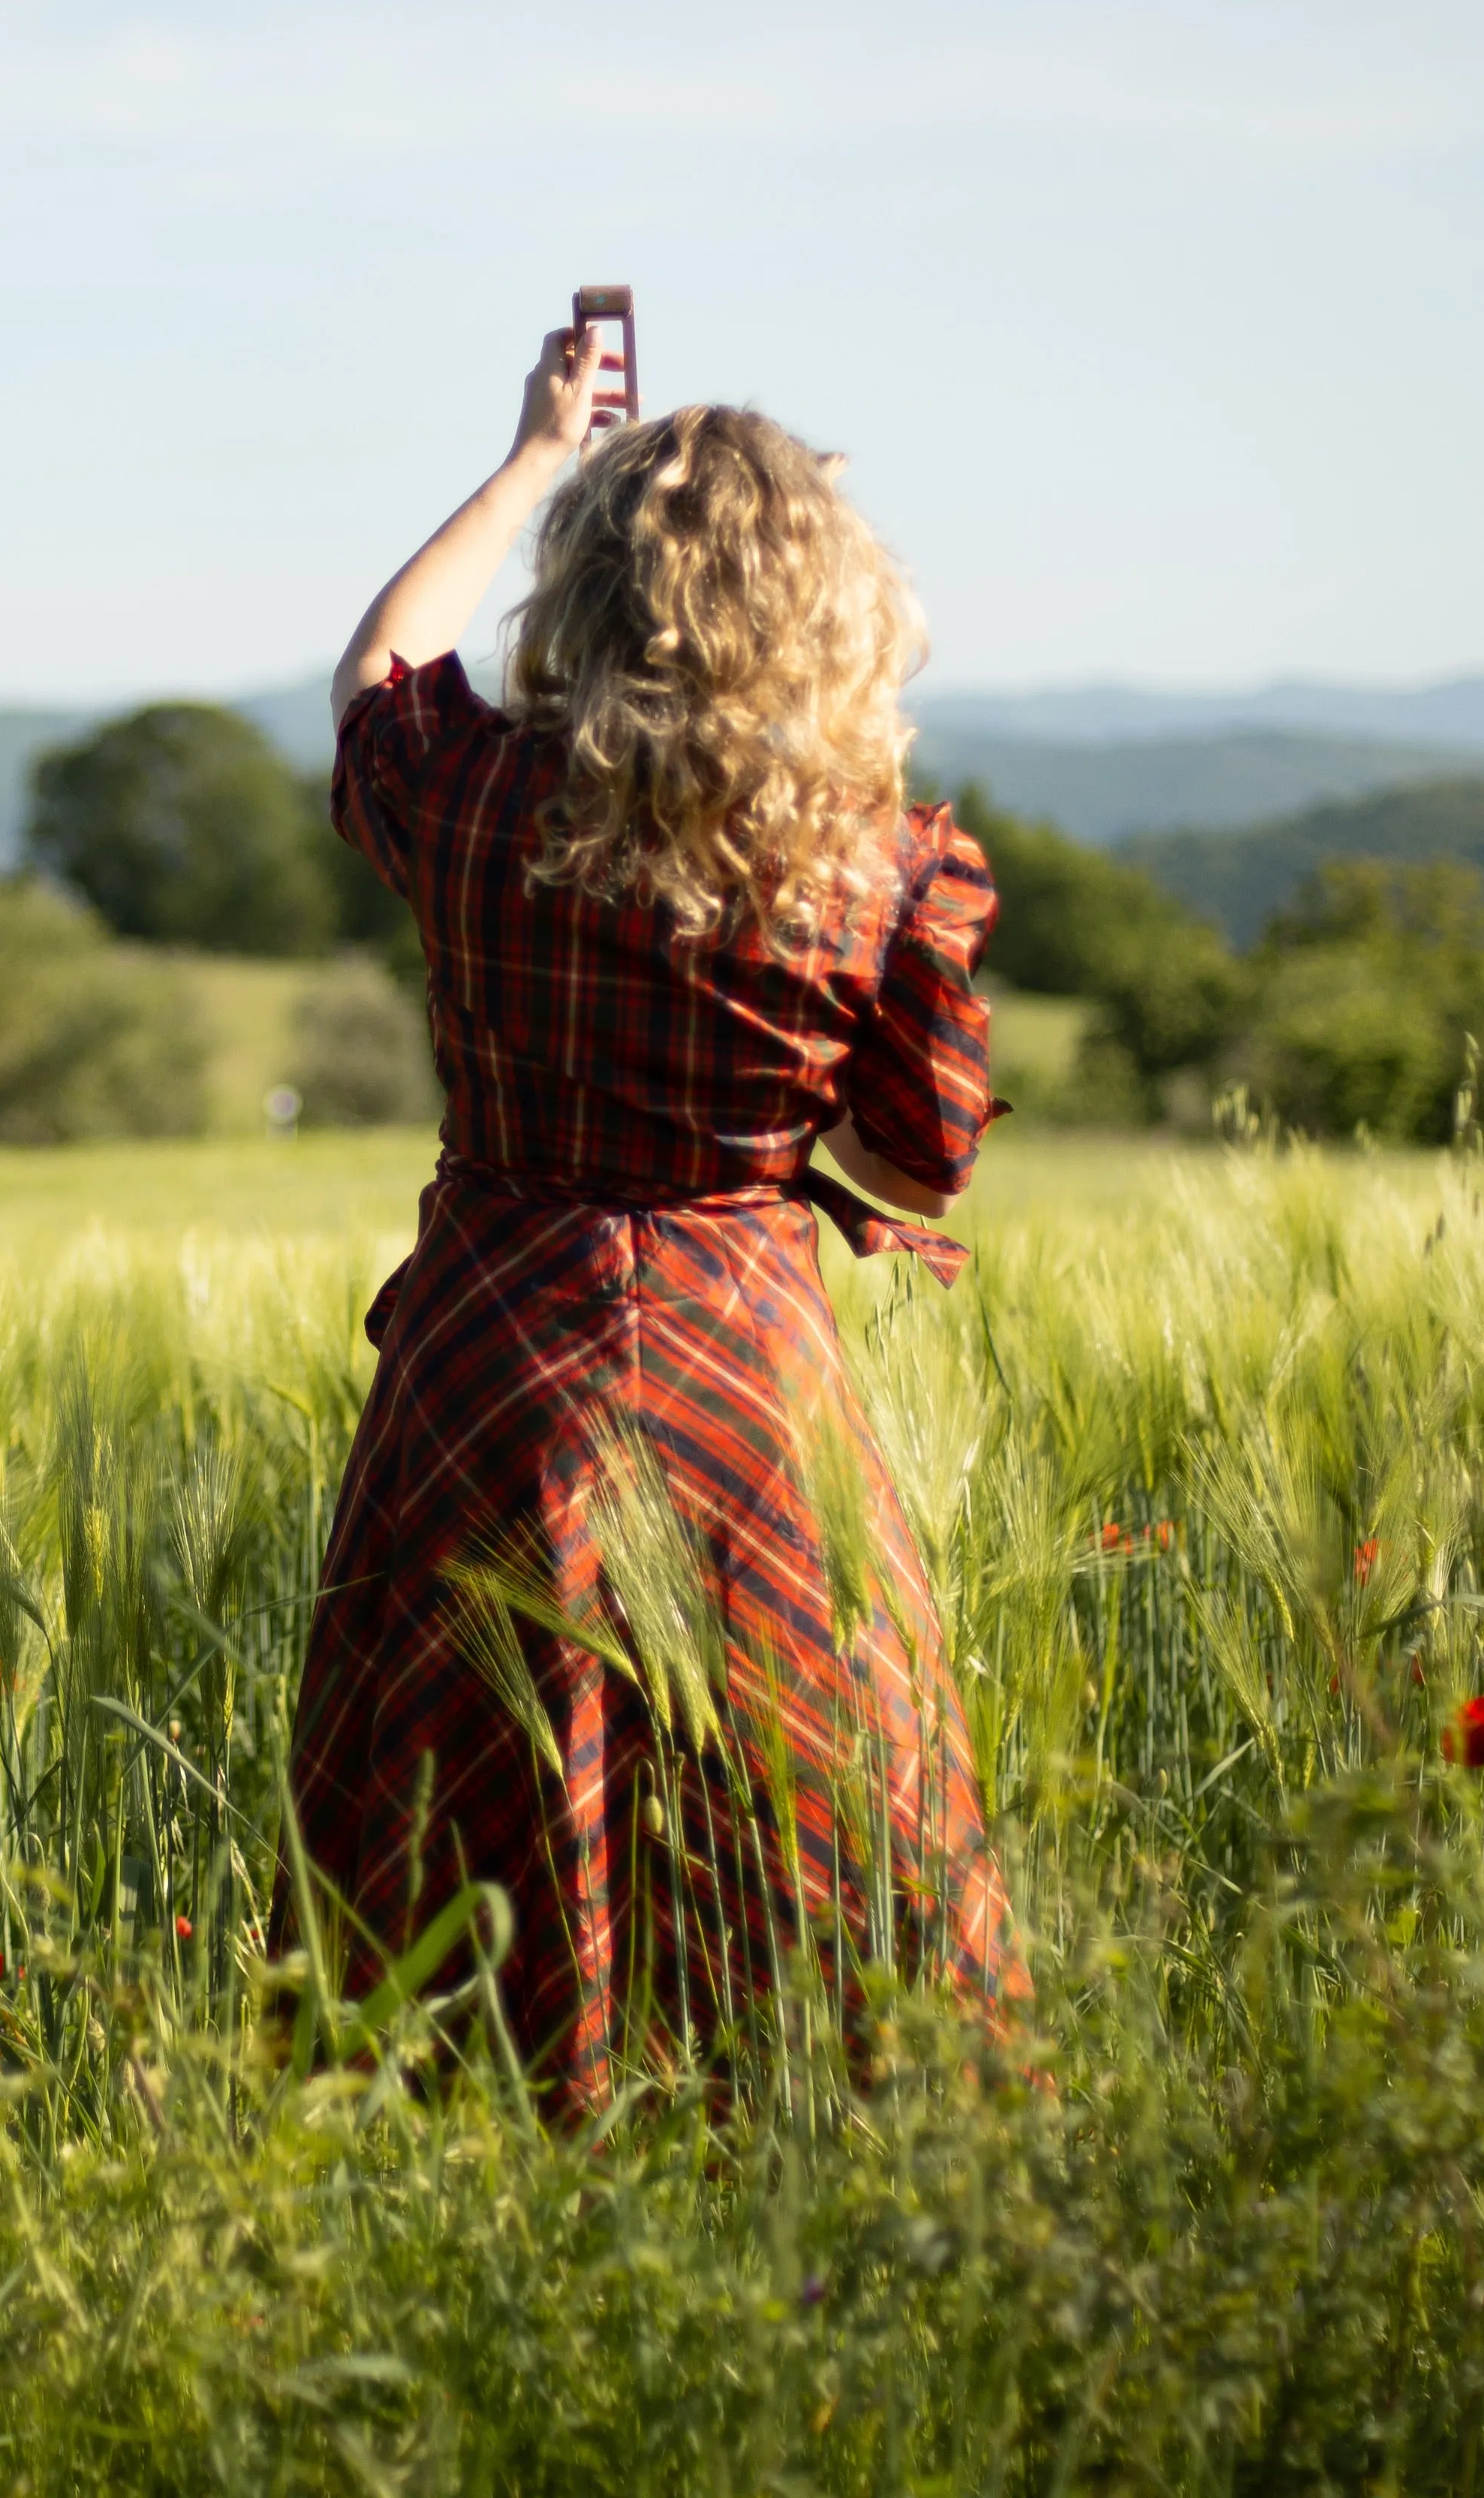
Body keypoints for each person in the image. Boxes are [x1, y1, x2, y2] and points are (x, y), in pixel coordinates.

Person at [273, 313, 1030, 2113]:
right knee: (815, 1816)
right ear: (834, 609)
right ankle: (831, 2151)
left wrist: (537, 452)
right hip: (749, 1391)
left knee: (444, 1813)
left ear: (584, 599)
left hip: (486, 1372)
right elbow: (924, 1170)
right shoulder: (884, 864)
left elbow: (382, 672)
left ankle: (452, 2169)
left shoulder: (472, 799)